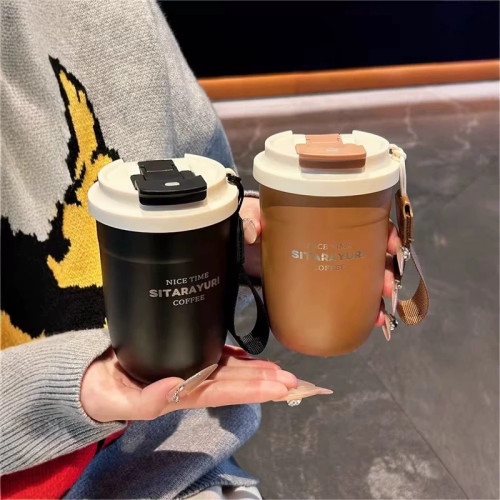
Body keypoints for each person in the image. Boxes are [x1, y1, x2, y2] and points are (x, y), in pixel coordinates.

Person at [0, 0, 399, 498]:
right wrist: (64, 389)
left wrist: (249, 252)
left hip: (172, 461)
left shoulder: (114, 14)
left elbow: (204, 190)